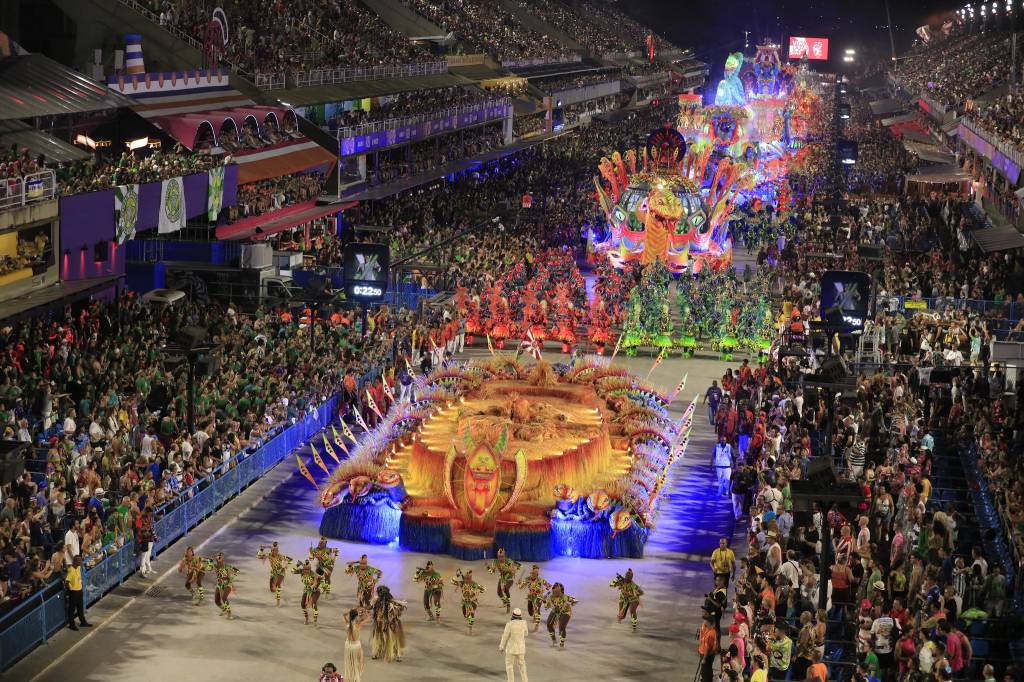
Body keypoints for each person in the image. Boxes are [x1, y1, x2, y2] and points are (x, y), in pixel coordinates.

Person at [370, 585, 406, 662]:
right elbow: (374, 611)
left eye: (378, 593)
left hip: (389, 625)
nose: (377, 594)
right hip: (379, 624)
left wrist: (391, 618)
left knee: (392, 639)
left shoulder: (391, 604)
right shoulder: (376, 602)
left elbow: (398, 613)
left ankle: (396, 654)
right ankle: (377, 652)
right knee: (378, 638)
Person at [499, 606, 530, 682]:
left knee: (509, 665)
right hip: (521, 648)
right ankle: (525, 680)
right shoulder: (524, 623)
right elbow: (526, 634)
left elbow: (505, 636)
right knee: (522, 665)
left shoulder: (509, 624)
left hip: (511, 648)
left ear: (512, 615)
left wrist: (501, 646)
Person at [543, 582, 578, 648]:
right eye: (553, 592)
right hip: (555, 611)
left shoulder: (565, 597)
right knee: (549, 624)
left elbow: (575, 600)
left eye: (556, 592)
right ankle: (553, 639)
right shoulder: (551, 597)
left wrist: (570, 603)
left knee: (561, 626)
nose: (554, 594)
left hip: (565, 612)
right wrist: (544, 601)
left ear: (560, 592)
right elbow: (546, 607)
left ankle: (562, 642)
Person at [257, 542, 293, 606]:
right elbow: (259, 556)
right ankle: (276, 593)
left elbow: (290, 559)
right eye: (273, 550)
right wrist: (262, 549)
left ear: (278, 551)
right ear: (271, 550)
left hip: (281, 572)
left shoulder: (281, 556)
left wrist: (285, 564)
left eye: (276, 550)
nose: (275, 552)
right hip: (274, 572)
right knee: (272, 590)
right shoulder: (269, 555)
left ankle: (278, 601)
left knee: (278, 584)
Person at [488, 547, 521, 613]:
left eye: (502, 556)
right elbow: (492, 572)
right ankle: (505, 602)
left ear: (504, 555)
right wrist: (489, 568)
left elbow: (512, 570)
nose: (501, 558)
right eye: (499, 556)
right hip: (502, 578)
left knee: (506, 589)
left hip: (509, 579)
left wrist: (506, 569)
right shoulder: (495, 561)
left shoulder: (509, 561)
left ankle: (508, 605)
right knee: (499, 593)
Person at [518, 564, 551, 631]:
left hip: (538, 597)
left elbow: (549, 586)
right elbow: (520, 587)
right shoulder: (527, 579)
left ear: (537, 574)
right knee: (530, 612)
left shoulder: (541, 580)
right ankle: (534, 615)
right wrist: (519, 583)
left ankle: (537, 624)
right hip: (530, 597)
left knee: (537, 609)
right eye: (532, 573)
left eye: (535, 573)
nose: (533, 574)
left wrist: (543, 591)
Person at [343, 607, 370, 682]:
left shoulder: (347, 623)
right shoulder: (359, 624)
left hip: (348, 645)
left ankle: (350, 678)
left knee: (349, 662)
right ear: (356, 616)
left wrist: (348, 613)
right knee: (359, 662)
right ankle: (356, 678)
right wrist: (366, 612)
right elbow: (368, 618)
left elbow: (344, 616)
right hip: (356, 646)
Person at [64, 555, 91, 631]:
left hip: (79, 590)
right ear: (75, 562)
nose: (81, 562)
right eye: (79, 561)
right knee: (71, 609)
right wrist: (71, 589)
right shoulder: (71, 570)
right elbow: (67, 583)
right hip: (74, 592)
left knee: (80, 607)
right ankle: (71, 624)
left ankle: (83, 622)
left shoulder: (78, 568)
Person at [293, 560, 323, 625]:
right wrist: (297, 565)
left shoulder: (313, 574)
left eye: (308, 569)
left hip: (315, 591)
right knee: (302, 604)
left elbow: (318, 581)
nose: (306, 570)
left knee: (313, 604)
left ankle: (315, 619)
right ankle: (306, 618)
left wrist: (316, 584)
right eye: (305, 569)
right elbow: (292, 571)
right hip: (307, 590)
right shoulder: (301, 571)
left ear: (310, 569)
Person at [212, 552, 239, 619]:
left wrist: (230, 577)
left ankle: (229, 613)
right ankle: (224, 609)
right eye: (218, 556)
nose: (219, 557)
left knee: (224, 597)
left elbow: (237, 571)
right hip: (219, 584)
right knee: (216, 601)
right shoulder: (215, 566)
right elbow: (208, 566)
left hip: (227, 584)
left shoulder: (227, 566)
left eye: (221, 556)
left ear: (223, 558)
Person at [697, 612, 718, 682]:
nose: (705, 624)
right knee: (707, 670)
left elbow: (707, 647)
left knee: (705, 671)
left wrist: (704, 658)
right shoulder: (711, 630)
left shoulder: (710, 633)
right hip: (707, 654)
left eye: (707, 624)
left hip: (706, 655)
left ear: (712, 624)